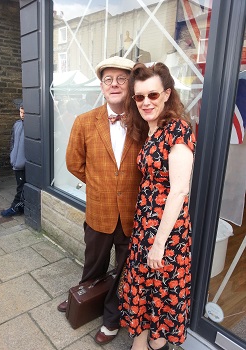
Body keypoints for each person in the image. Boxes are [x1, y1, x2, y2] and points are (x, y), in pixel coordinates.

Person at [58, 56, 144, 345]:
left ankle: (111, 318)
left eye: (122, 78)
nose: (115, 84)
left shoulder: (144, 121)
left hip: (133, 214)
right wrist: (99, 184)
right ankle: (82, 298)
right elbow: (73, 163)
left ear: (131, 85)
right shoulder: (84, 121)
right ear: (102, 86)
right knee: (92, 262)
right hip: (98, 209)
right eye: (109, 79)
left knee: (122, 271)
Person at [119, 62, 196, 350]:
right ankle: (140, 343)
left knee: (161, 296)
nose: (146, 102)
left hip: (167, 234)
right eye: (139, 97)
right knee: (143, 293)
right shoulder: (150, 131)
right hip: (145, 228)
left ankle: (156, 345)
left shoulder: (177, 130)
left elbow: (179, 190)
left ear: (166, 94)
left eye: (152, 95)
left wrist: (159, 244)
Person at [1, 106, 26, 217]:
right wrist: (12, 155)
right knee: (20, 186)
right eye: (20, 112)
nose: (22, 115)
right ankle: (20, 207)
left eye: (24, 112)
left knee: (21, 187)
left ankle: (15, 207)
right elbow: (13, 141)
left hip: (23, 164)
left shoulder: (32, 126)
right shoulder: (17, 124)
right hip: (15, 162)